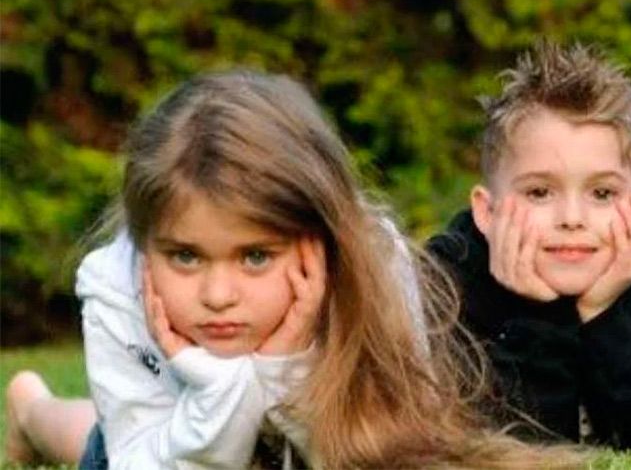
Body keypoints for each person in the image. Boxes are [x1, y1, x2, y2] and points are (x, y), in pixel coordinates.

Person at [5, 70, 580, 469]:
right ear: (148, 241)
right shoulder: (115, 283)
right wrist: (222, 391)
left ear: (323, 242)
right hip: (169, 441)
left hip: (299, 439)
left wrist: (284, 369)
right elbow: (143, 456)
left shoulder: (374, 261)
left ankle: (31, 406)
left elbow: (379, 456)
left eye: (256, 256)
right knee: (97, 442)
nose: (218, 294)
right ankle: (31, 410)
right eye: (185, 256)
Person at [428, 42, 631, 452]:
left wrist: (604, 319)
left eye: (602, 193)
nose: (572, 218)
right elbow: (474, 442)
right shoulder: (452, 281)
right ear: (487, 213)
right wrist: (541, 320)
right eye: (539, 192)